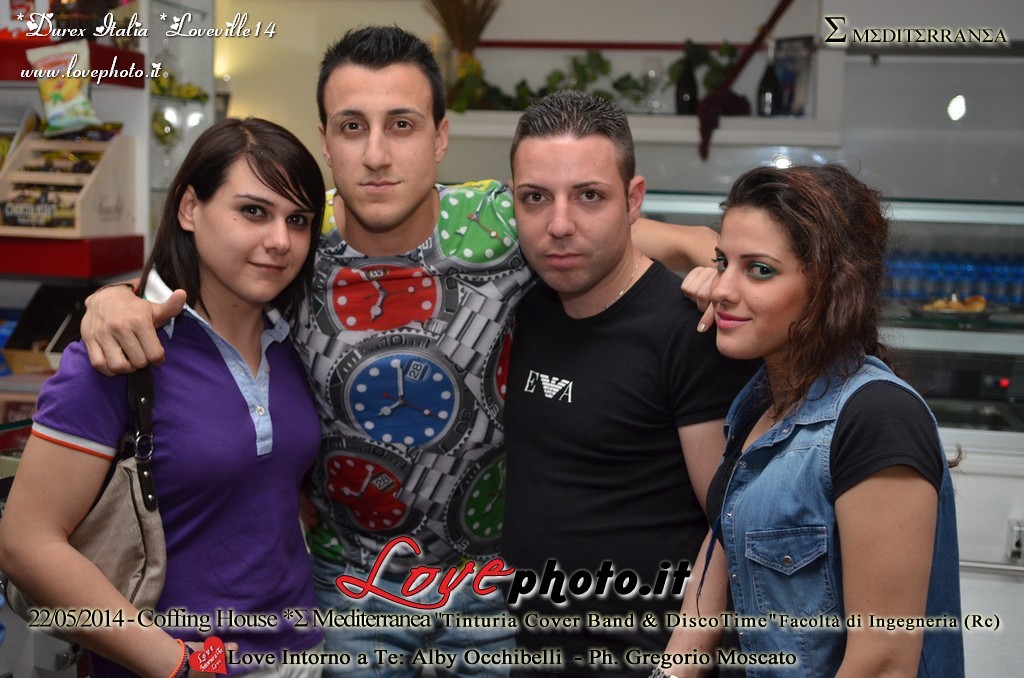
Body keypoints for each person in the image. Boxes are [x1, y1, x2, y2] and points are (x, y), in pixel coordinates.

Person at [77, 26, 719, 676]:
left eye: (402, 125)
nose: (376, 155)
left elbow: (636, 236)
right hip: (349, 588)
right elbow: (189, 281)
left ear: (440, 137)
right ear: (325, 140)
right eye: (352, 127)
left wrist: (713, 265)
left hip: (492, 590)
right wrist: (110, 298)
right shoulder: (293, 239)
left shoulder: (504, 219)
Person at [0, 117, 327, 677]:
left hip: (300, 653)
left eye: (298, 219)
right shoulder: (120, 354)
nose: (280, 240)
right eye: (254, 211)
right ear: (189, 209)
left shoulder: (294, 342)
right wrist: (177, 663)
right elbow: (25, 545)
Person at [659, 164, 963, 677]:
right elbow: (720, 552)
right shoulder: (759, 404)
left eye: (759, 270)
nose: (721, 288)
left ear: (830, 287)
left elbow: (883, 663)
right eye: (722, 262)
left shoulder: (877, 418)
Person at [500, 90, 755, 676]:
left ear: (633, 200)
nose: (558, 225)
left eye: (589, 196)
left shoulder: (689, 330)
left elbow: (730, 529)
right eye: (535, 197)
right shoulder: (530, 305)